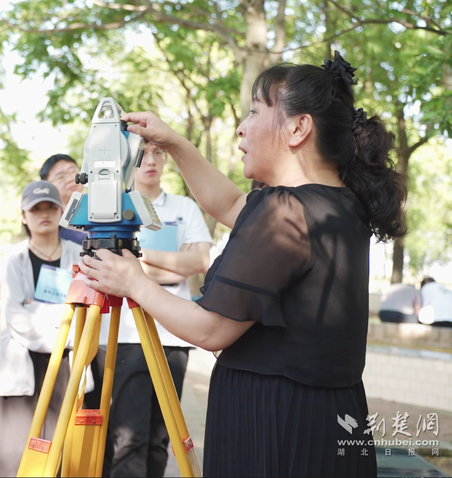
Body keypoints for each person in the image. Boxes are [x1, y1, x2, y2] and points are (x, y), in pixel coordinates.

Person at [77, 51, 405, 476]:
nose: (241, 126)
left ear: (298, 127)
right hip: (330, 418)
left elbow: (211, 329)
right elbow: (232, 204)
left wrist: (134, 282)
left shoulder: (285, 211)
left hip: (276, 425)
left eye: (254, 112)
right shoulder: (337, 204)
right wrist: (175, 142)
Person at [99, 142, 212, 477]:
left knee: (162, 437)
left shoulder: (184, 208)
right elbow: (110, 268)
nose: (151, 160)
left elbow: (200, 262)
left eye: (157, 153)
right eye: (142, 154)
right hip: (126, 336)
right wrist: (176, 264)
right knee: (128, 437)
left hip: (173, 334)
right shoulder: (113, 206)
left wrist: (138, 258)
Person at [0, 181, 84, 477]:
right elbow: (16, 317)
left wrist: (36, 307)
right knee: (14, 458)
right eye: (36, 208)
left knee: (62, 454)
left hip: (67, 367)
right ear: (23, 216)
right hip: (22, 368)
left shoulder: (79, 255)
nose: (44, 214)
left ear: (62, 211)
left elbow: (85, 315)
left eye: (51, 207)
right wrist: (62, 320)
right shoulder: (14, 258)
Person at [40, 154, 86, 244]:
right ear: (48, 185)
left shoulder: (100, 207)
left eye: (73, 171)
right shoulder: (49, 220)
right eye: (60, 177)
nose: (70, 179)